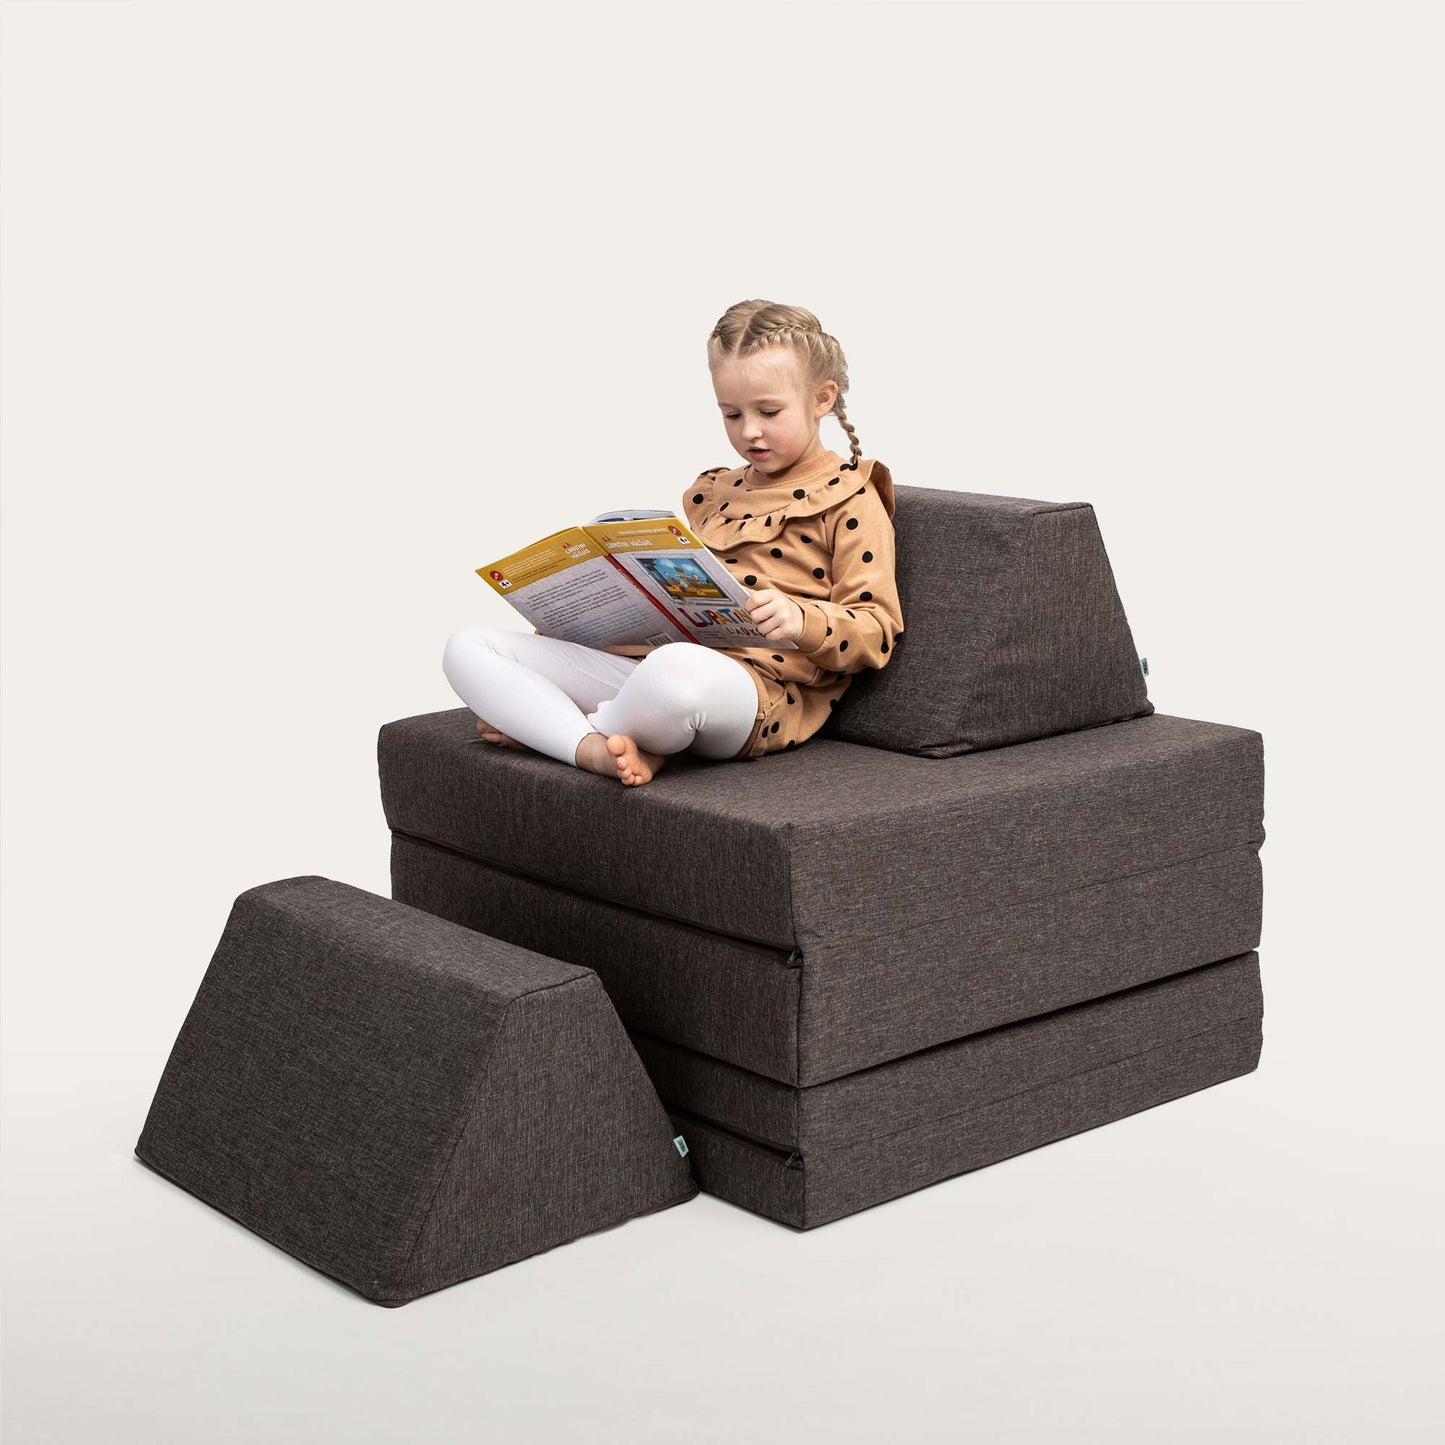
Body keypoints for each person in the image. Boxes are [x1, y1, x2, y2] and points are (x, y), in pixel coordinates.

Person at [441, 299, 904, 786]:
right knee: (468, 646)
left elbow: (878, 631)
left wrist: (802, 619)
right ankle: (593, 746)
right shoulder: (717, 492)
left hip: (750, 691)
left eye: (769, 411)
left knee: (676, 672)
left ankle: (554, 731)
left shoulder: (852, 498)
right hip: (647, 670)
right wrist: (583, 625)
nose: (749, 431)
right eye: (731, 414)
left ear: (822, 398)